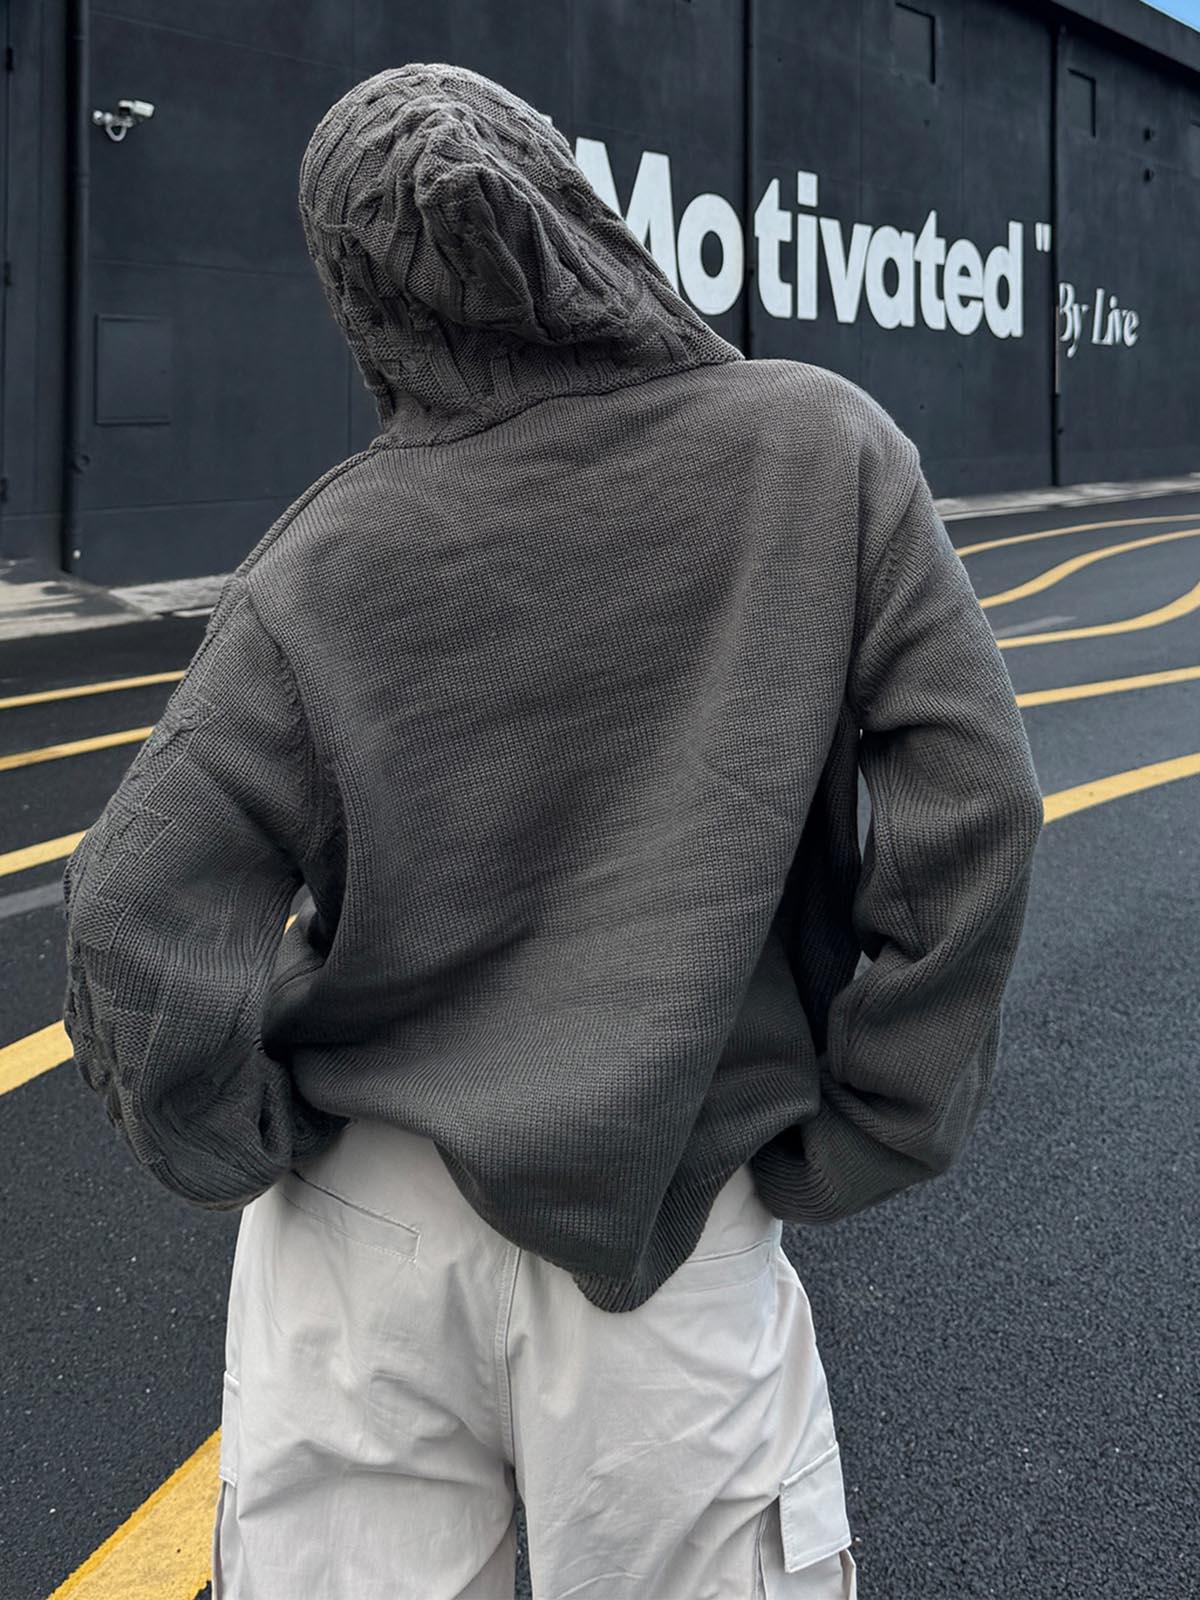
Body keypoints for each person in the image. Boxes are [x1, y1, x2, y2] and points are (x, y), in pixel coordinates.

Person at [61, 61, 1045, 1600]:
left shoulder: (322, 558)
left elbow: (130, 911)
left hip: (356, 1233)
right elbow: (975, 800)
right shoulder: (822, 451)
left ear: (357, 294)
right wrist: (879, 1115)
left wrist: (245, 1137)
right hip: (664, 1212)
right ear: (575, 206)